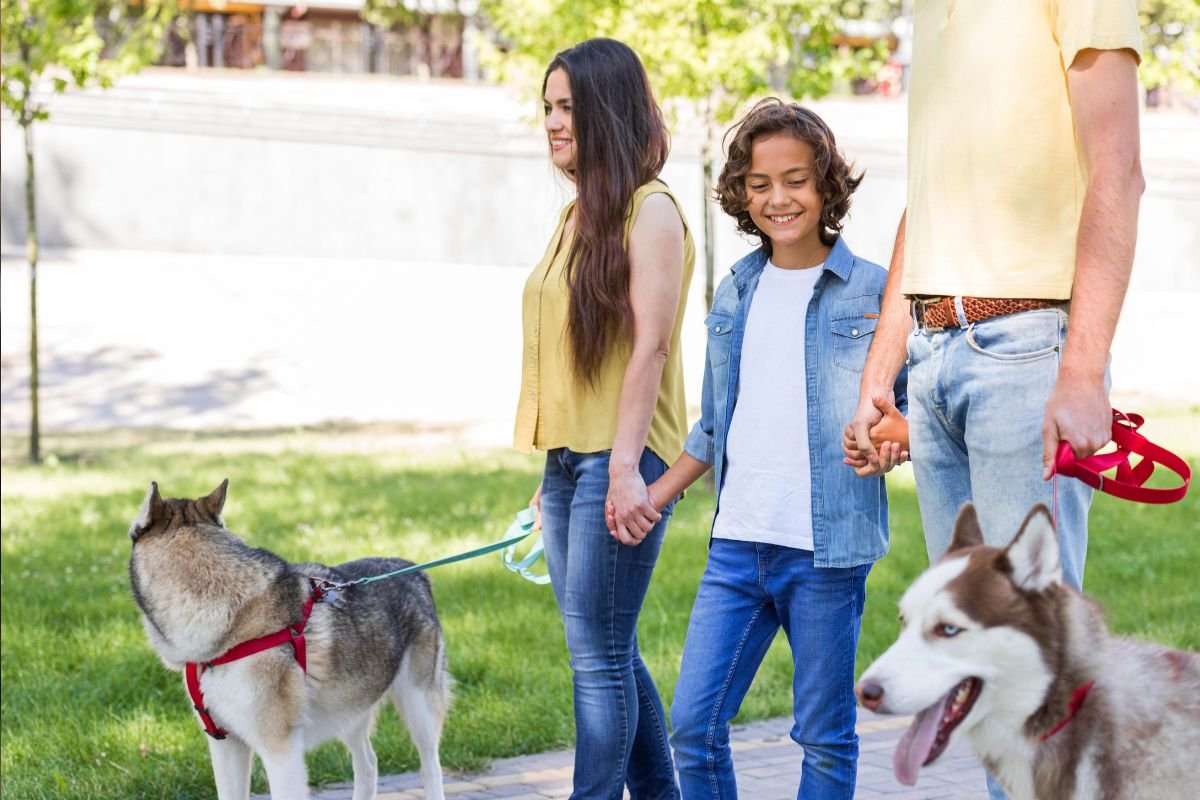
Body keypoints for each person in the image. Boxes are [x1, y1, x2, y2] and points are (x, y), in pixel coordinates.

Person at [843, 3, 1144, 799]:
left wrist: (1081, 370)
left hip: (1024, 351)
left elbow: (1117, 168)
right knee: (975, 660)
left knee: (1040, 666)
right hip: (938, 350)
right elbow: (929, 198)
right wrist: (886, 358)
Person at [621, 98, 907, 799]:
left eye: (797, 179)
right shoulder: (737, 290)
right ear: (741, 195)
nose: (778, 198)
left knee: (825, 736)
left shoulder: (875, 292)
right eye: (759, 184)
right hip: (737, 548)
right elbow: (715, 426)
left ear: (827, 186)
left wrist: (890, 446)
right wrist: (650, 498)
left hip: (826, 553)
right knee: (694, 723)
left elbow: (911, 414)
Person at [512, 38, 695, 800]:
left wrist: (622, 471)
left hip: (624, 461)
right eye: (547, 108)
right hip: (570, 461)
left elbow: (648, 347)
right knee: (606, 650)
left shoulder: (650, 212)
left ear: (607, 112)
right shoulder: (574, 216)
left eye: (568, 108)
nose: (553, 123)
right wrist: (550, 469)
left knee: (597, 658)